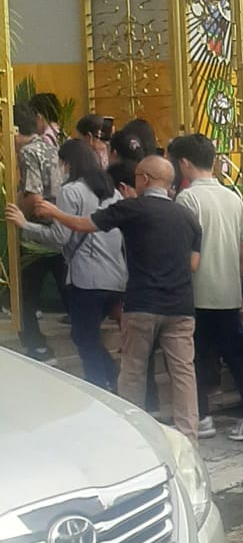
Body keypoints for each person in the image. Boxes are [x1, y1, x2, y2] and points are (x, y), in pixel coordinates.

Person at [32, 154, 201, 439]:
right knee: (184, 372)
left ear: (144, 179)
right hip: (181, 306)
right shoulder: (187, 216)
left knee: (133, 370)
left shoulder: (133, 208)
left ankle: (133, 434)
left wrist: (54, 212)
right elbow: (193, 264)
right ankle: (189, 434)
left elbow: (84, 225)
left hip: (143, 303)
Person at [170, 134, 243, 442]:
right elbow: (242, 248)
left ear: (185, 163)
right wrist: (239, 284)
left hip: (197, 288)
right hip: (228, 288)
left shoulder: (187, 199)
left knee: (196, 355)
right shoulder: (232, 197)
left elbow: (185, 247)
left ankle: (202, 416)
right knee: (236, 354)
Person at [5, 137, 126, 389]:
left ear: (68, 163)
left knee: (83, 336)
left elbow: (60, 237)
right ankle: (110, 379)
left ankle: (101, 386)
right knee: (86, 334)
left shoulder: (71, 191)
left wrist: (24, 224)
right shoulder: (112, 191)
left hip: (88, 277)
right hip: (116, 276)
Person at [14, 100, 68, 360]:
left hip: (38, 233)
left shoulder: (28, 153)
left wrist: (15, 206)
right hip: (61, 228)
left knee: (24, 295)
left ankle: (37, 347)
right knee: (67, 290)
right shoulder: (51, 146)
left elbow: (34, 198)